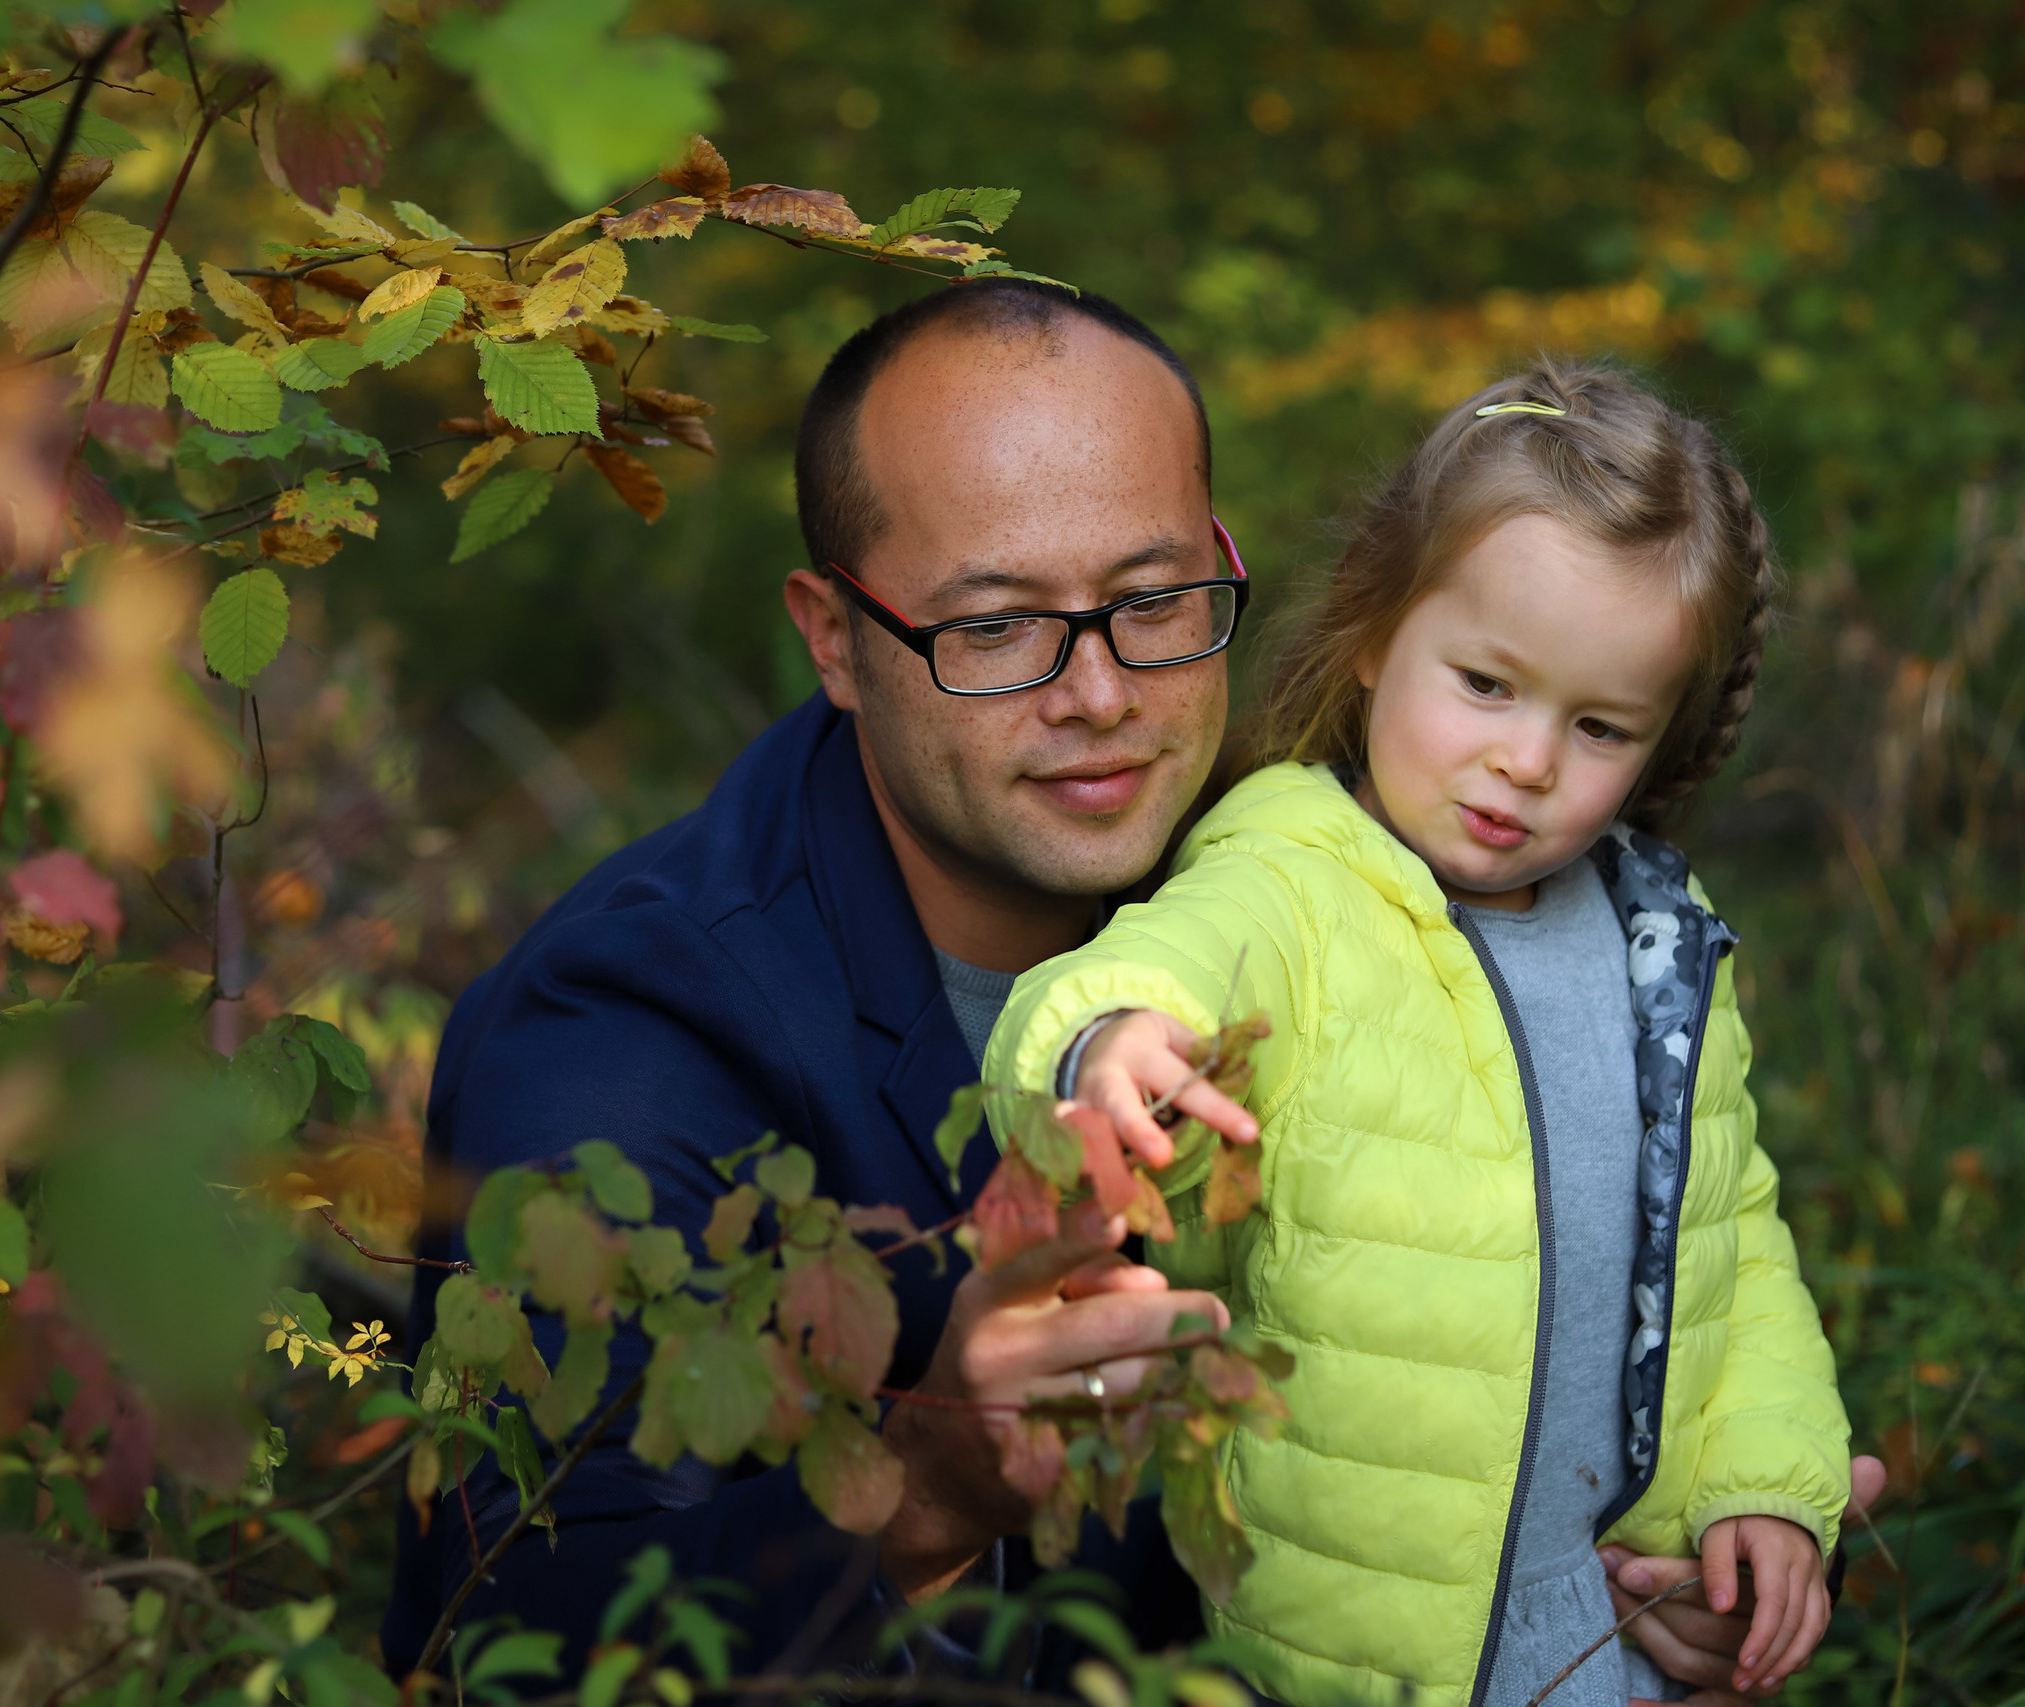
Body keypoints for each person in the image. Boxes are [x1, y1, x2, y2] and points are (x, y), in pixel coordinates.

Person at [383, 283, 1871, 1697]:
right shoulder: (618, 1048)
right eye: (994, 626)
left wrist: (1670, 1564)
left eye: (1154, 599)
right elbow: (520, 1637)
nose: (1098, 693)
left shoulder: (1326, 873)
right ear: (836, 637)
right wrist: (924, 1490)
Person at [985, 361, 1852, 1707]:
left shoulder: (1656, 942)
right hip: (1352, 1648)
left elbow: (1735, 1249)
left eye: (1600, 724)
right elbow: (1157, 964)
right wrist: (1114, 1045)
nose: (1529, 761)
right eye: (1488, 685)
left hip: (1613, 1629)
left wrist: (1771, 1486)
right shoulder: (1291, 873)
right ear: (1382, 633)